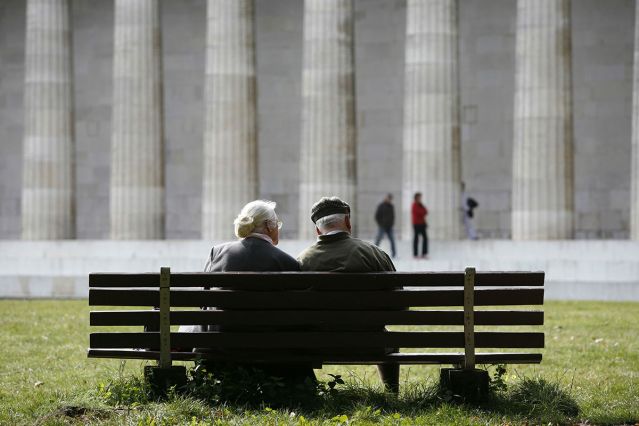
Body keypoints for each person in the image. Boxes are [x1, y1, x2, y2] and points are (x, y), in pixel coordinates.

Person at [186, 200, 314, 384]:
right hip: (270, 353)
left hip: (220, 349)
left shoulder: (217, 253)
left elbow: (204, 301)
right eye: (277, 224)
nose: (278, 228)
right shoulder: (286, 262)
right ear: (269, 226)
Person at [297, 196, 400, 392]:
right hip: (373, 342)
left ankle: (308, 394)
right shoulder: (374, 253)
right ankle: (392, 393)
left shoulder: (302, 261)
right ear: (347, 222)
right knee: (390, 340)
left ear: (317, 229)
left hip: (317, 344)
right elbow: (400, 304)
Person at [374, 193, 396, 258]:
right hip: (382, 226)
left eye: (390, 199)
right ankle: (374, 252)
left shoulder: (391, 206)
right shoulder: (381, 206)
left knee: (392, 240)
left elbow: (393, 216)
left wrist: (391, 224)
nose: (388, 200)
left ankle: (394, 254)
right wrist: (380, 224)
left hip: (389, 227)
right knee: (378, 239)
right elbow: (377, 216)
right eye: (388, 198)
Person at [411, 192, 428, 259]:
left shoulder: (421, 205)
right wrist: (422, 212)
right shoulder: (414, 205)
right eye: (419, 197)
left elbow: (426, 211)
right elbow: (419, 213)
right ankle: (415, 254)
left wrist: (422, 211)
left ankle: (424, 253)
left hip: (422, 224)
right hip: (416, 224)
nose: (420, 199)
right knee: (416, 239)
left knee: (425, 238)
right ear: (416, 198)